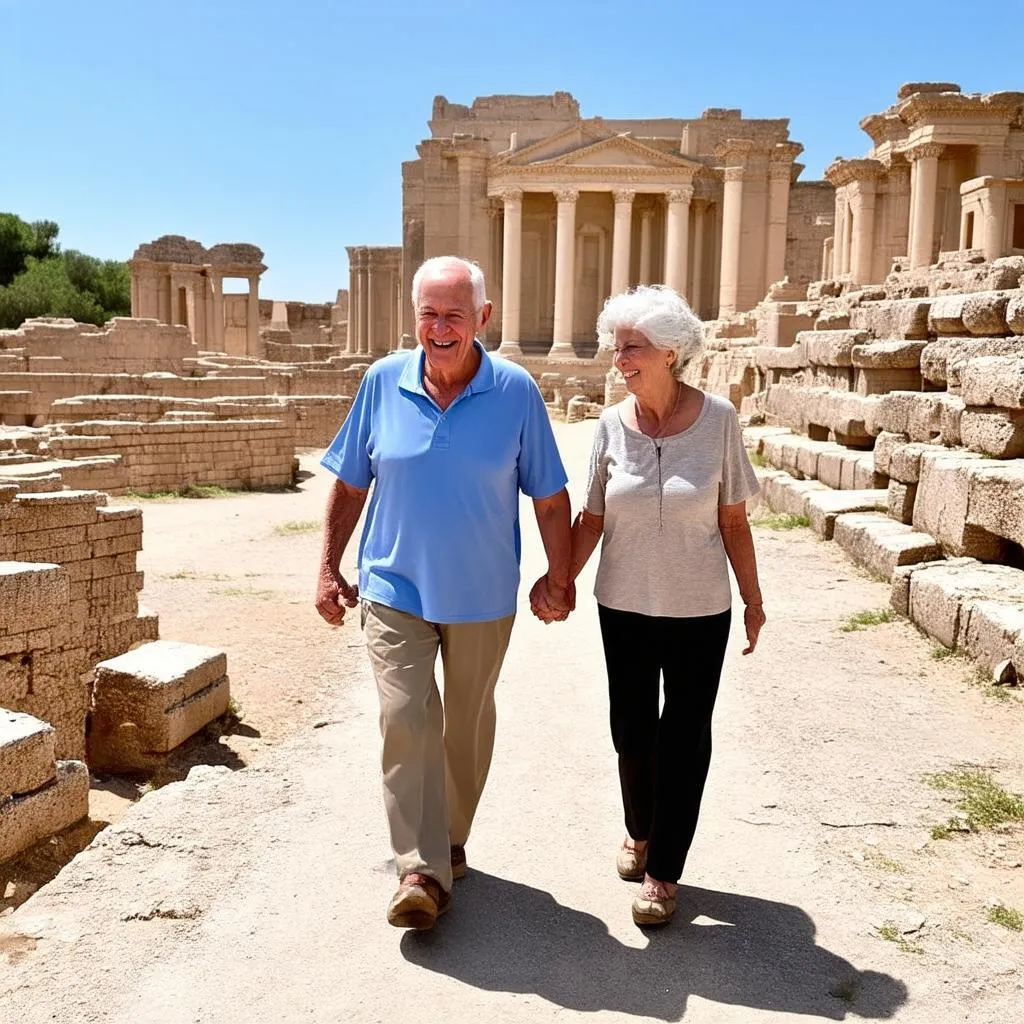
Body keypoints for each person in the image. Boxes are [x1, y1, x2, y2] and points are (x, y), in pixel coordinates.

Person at [315, 255, 572, 931]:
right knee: (406, 717)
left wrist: (560, 573)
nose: (438, 327)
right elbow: (349, 483)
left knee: (465, 725)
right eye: (427, 313)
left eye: (453, 314)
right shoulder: (380, 382)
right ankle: (420, 869)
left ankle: (449, 840)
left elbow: (549, 496)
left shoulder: (516, 391)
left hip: (483, 594)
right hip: (392, 584)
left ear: (483, 318)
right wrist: (328, 567)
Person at [553, 284, 765, 928]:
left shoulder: (720, 420)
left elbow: (733, 521)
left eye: (632, 348)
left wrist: (753, 600)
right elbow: (591, 517)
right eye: (617, 348)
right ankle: (638, 829)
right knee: (632, 729)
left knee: (686, 738)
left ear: (670, 352)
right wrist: (559, 579)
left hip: (700, 608)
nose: (620, 360)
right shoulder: (611, 424)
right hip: (622, 604)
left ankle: (663, 873)